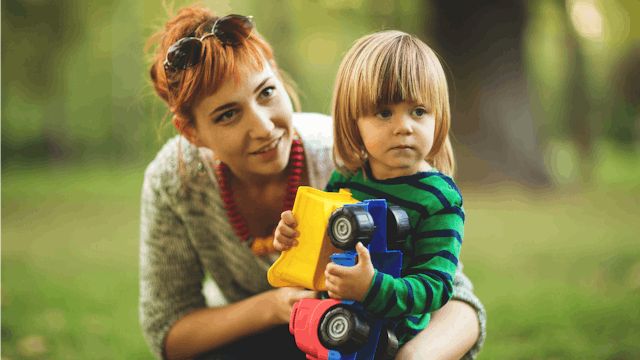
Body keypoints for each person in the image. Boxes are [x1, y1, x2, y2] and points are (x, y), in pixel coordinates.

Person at [140, 3, 485, 360]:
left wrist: (408, 356)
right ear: (191, 133)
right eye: (228, 114)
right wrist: (275, 302)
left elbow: (454, 295)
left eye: (266, 92)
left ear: (278, 76)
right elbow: (169, 329)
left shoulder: (350, 153)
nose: (263, 128)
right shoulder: (175, 183)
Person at [274, 30, 475, 353]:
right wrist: (292, 240)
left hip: (396, 342)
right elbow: (320, 251)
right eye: (384, 113)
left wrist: (372, 288)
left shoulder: (439, 198)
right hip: (336, 330)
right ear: (354, 122)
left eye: (419, 111)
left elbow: (436, 287)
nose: (404, 126)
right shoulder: (346, 181)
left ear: (439, 117)